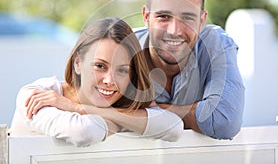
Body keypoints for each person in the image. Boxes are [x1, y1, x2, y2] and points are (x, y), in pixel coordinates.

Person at [11, 17, 183, 147]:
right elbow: (84, 132)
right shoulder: (36, 94)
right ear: (77, 62)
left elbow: (174, 127)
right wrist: (127, 122)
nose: (109, 81)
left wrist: (79, 109)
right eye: (100, 66)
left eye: (122, 70)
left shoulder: (114, 105)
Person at [134, 0, 245, 139]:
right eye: (163, 16)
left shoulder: (215, 44)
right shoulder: (118, 50)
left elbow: (223, 121)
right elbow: (86, 110)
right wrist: (197, 113)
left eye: (187, 18)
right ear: (146, 17)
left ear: (202, 21)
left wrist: (147, 112)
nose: (174, 31)